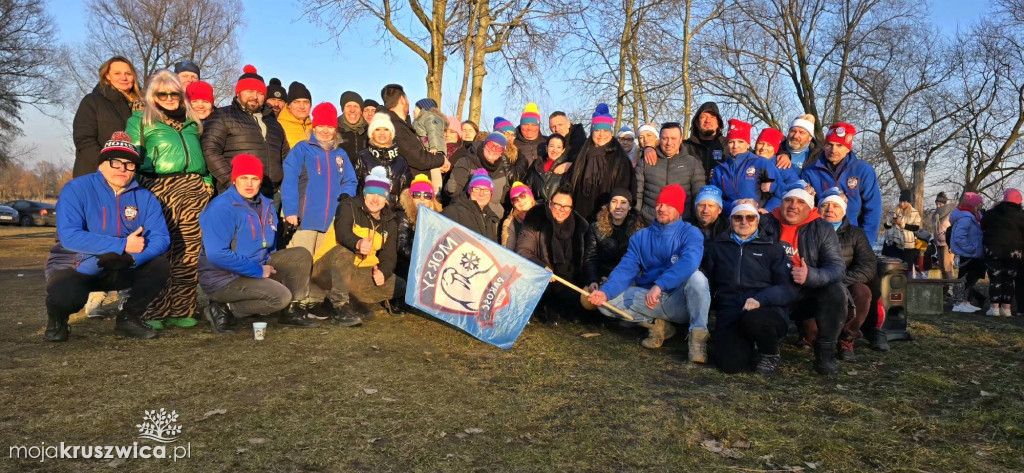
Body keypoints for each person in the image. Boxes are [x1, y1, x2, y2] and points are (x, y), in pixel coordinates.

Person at [43, 133, 171, 342]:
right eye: (116, 162)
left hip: (121, 264)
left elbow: (161, 238)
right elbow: (69, 236)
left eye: (129, 164)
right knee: (66, 295)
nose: (122, 169)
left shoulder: (145, 197)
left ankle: (129, 319)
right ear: (102, 164)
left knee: (159, 266)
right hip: (76, 264)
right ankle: (57, 319)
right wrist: (122, 245)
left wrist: (131, 258)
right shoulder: (76, 189)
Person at [125, 69, 211, 329]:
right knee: (160, 250)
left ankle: (182, 308)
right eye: (163, 93)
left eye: (175, 92)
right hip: (158, 188)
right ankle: (155, 310)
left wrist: (206, 183)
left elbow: (202, 157)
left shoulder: (191, 121)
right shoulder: (141, 120)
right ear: (153, 95)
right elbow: (132, 158)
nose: (170, 97)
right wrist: (138, 189)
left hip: (194, 189)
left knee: (189, 252)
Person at [587, 185, 711, 362]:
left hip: (680, 301)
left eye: (669, 205)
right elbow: (625, 269)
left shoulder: (691, 233)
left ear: (679, 209)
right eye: (660, 204)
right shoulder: (641, 237)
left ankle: (697, 340)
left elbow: (689, 262)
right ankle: (658, 325)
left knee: (698, 278)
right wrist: (605, 292)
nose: (662, 208)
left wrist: (660, 285)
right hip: (649, 300)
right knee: (605, 303)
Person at [198, 154, 319, 333]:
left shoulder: (265, 204)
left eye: (254, 179)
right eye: (243, 178)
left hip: (256, 264)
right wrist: (259, 271)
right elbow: (217, 255)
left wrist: (267, 269)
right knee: (280, 296)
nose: (249, 184)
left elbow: (268, 243)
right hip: (224, 277)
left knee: (300, 255)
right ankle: (225, 308)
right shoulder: (221, 208)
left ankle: (292, 311)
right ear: (234, 179)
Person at [759, 186, 847, 375]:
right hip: (773, 287)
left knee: (836, 291)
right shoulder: (764, 222)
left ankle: (825, 352)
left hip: (806, 290)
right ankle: (767, 352)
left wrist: (811, 275)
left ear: (810, 208)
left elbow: (837, 267)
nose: (793, 206)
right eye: (788, 201)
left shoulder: (822, 227)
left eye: (800, 202)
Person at [703, 204, 796, 374]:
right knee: (729, 365)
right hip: (731, 307)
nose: (744, 222)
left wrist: (761, 299)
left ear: (757, 220)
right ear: (731, 221)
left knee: (755, 320)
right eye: (738, 217)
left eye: (750, 217)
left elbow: (786, 288)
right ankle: (748, 347)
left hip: (764, 308)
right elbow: (708, 279)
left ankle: (769, 353)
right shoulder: (718, 246)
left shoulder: (772, 247)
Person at [311, 167, 402, 324]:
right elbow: (343, 232)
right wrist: (357, 243)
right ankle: (340, 306)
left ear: (386, 198)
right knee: (345, 251)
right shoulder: (348, 206)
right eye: (371, 193)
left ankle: (336, 302)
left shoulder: (390, 222)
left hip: (356, 273)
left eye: (380, 195)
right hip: (327, 269)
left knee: (398, 284)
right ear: (364, 194)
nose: (375, 199)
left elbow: (389, 256)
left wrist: (383, 272)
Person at [282, 102, 358, 257]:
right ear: (314, 126)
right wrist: (290, 212)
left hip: (331, 221)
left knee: (321, 267)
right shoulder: (302, 149)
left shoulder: (340, 154)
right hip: (305, 219)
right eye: (321, 125)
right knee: (301, 262)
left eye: (330, 127)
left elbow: (350, 180)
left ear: (335, 129)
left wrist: (346, 196)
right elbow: (289, 181)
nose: (325, 130)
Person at [201, 65, 289, 197]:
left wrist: (284, 186)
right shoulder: (223, 115)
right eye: (249, 91)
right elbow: (210, 151)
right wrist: (232, 182)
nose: (254, 96)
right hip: (236, 193)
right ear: (238, 93)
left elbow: (285, 157)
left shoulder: (274, 124)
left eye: (259, 93)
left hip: (271, 194)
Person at [816, 188, 877, 361]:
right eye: (825, 205)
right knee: (813, 336)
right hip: (815, 282)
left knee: (863, 292)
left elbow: (868, 266)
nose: (830, 209)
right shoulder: (809, 230)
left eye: (835, 205)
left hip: (846, 281)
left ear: (843, 210)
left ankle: (847, 339)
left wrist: (839, 280)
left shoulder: (856, 234)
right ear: (818, 208)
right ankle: (810, 335)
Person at [516, 185, 591, 324]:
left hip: (568, 280)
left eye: (566, 206)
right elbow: (523, 251)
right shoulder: (535, 219)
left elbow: (586, 260)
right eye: (557, 205)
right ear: (550, 203)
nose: (562, 210)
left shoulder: (581, 226)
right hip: (541, 276)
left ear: (571, 208)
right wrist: (541, 266)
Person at [801, 122, 883, 247]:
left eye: (840, 145)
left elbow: (873, 209)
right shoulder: (811, 172)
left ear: (848, 148)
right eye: (829, 145)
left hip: (852, 238)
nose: (833, 150)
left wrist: (866, 244)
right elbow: (805, 208)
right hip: (819, 237)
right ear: (824, 146)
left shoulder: (863, 170)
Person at [73, 56, 143, 178]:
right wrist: (107, 165)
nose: (124, 78)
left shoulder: (143, 106)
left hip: (133, 176)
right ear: (107, 76)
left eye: (128, 73)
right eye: (117, 73)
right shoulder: (92, 101)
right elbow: (84, 140)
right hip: (96, 175)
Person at [566, 104, 635, 220]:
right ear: (592, 131)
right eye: (597, 130)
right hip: (580, 215)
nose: (601, 134)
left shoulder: (620, 158)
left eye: (605, 130)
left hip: (608, 218)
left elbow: (626, 190)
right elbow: (570, 181)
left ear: (611, 132)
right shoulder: (582, 154)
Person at [582, 188, 645, 308]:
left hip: (627, 278)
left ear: (630, 207)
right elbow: (591, 258)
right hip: (602, 276)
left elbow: (639, 263)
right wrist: (593, 280)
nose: (618, 206)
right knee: (586, 300)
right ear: (609, 204)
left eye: (623, 202)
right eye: (614, 201)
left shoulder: (639, 230)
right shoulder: (596, 228)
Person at [634, 122, 705, 222]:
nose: (669, 143)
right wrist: (635, 220)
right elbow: (637, 194)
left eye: (673, 138)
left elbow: (698, 196)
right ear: (659, 139)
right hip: (649, 223)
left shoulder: (692, 163)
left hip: (681, 225)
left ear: (681, 139)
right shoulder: (645, 161)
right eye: (665, 138)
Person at [709, 119, 782, 213]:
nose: (735, 146)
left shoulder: (762, 163)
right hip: (731, 218)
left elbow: (779, 192)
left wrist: (768, 209)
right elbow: (715, 198)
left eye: (740, 142)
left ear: (748, 144)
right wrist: (733, 206)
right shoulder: (720, 169)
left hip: (758, 217)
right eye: (731, 142)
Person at [380, 84, 448, 177]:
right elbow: (417, 158)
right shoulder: (393, 127)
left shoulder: (403, 126)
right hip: (408, 186)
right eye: (407, 99)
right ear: (402, 100)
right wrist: (441, 159)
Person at [446, 133, 511, 217]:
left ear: (502, 153)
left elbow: (504, 199)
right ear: (484, 145)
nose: (493, 149)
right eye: (491, 145)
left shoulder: (503, 170)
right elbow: (453, 192)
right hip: (466, 215)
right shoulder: (467, 162)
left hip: (492, 219)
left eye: (499, 148)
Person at [981, 189, 1024, 317]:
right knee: (1009, 280)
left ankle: (994, 308)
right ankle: (1007, 308)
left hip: (993, 249)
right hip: (1014, 251)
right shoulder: (1021, 215)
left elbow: (982, 226)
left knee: (995, 278)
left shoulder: (991, 213)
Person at [354, 112, 411, 207]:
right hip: (367, 215)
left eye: (386, 129)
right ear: (372, 134)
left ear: (391, 133)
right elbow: (355, 190)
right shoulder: (362, 157)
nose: (382, 133)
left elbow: (405, 194)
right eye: (377, 129)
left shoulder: (401, 161)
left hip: (393, 217)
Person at [950, 192, 986, 313]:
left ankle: (965, 302)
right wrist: (971, 248)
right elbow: (960, 237)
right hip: (968, 253)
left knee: (970, 279)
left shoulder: (975, 215)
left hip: (974, 253)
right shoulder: (965, 217)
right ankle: (958, 303)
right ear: (975, 204)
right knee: (963, 279)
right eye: (980, 202)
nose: (982, 204)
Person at [443, 169, 501, 241]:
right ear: (470, 191)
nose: (481, 194)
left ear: (491, 194)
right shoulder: (453, 211)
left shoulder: (492, 219)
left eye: (486, 190)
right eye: (477, 189)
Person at [681, 101, 727, 183]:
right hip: (693, 194)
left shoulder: (728, 145)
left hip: (722, 194)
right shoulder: (685, 146)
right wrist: (650, 148)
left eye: (712, 117)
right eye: (703, 117)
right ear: (697, 123)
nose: (708, 120)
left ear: (718, 123)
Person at [412, 98, 448, 191]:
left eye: (416, 107)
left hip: (433, 150)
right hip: (427, 149)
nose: (413, 110)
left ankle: (437, 191)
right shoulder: (418, 122)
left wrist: (434, 147)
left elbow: (433, 133)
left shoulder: (430, 119)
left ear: (424, 109)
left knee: (434, 169)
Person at [884, 190, 923, 272]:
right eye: (901, 201)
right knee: (893, 264)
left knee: (906, 265)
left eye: (904, 202)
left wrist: (903, 225)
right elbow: (886, 226)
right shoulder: (894, 211)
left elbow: (916, 228)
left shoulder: (914, 212)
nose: (902, 204)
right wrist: (892, 222)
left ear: (908, 202)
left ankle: (907, 280)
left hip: (907, 243)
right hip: (893, 241)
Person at [775, 114, 821, 183]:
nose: (795, 136)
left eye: (802, 133)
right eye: (793, 131)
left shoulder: (819, 156)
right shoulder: (776, 150)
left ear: (810, 137)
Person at [527, 133, 570, 202]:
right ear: (547, 148)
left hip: (558, 209)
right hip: (538, 208)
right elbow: (527, 187)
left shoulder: (568, 167)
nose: (554, 150)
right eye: (551, 146)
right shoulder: (537, 164)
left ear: (563, 150)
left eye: (558, 147)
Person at [501, 182, 536, 250]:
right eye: (515, 199)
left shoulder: (546, 211)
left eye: (522, 195)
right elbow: (507, 250)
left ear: (531, 196)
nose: (519, 200)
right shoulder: (510, 223)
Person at [279, 81, 312, 148]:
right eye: (296, 102)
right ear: (289, 105)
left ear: (310, 105)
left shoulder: (317, 128)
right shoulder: (279, 126)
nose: (302, 107)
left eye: (306, 102)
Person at [336, 91, 368, 160]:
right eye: (348, 106)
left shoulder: (369, 131)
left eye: (356, 106)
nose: (352, 110)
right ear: (343, 110)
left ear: (361, 111)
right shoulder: (334, 131)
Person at [929, 192, 954, 279]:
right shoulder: (936, 215)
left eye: (940, 204)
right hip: (938, 242)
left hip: (947, 243)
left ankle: (950, 287)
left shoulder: (950, 214)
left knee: (947, 267)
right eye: (936, 204)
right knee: (942, 267)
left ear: (944, 204)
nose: (938, 206)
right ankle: (945, 287)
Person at [514, 103, 547, 169]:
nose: (529, 128)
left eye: (533, 125)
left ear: (538, 126)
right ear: (520, 125)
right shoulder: (513, 145)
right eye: (526, 124)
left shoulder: (548, 141)